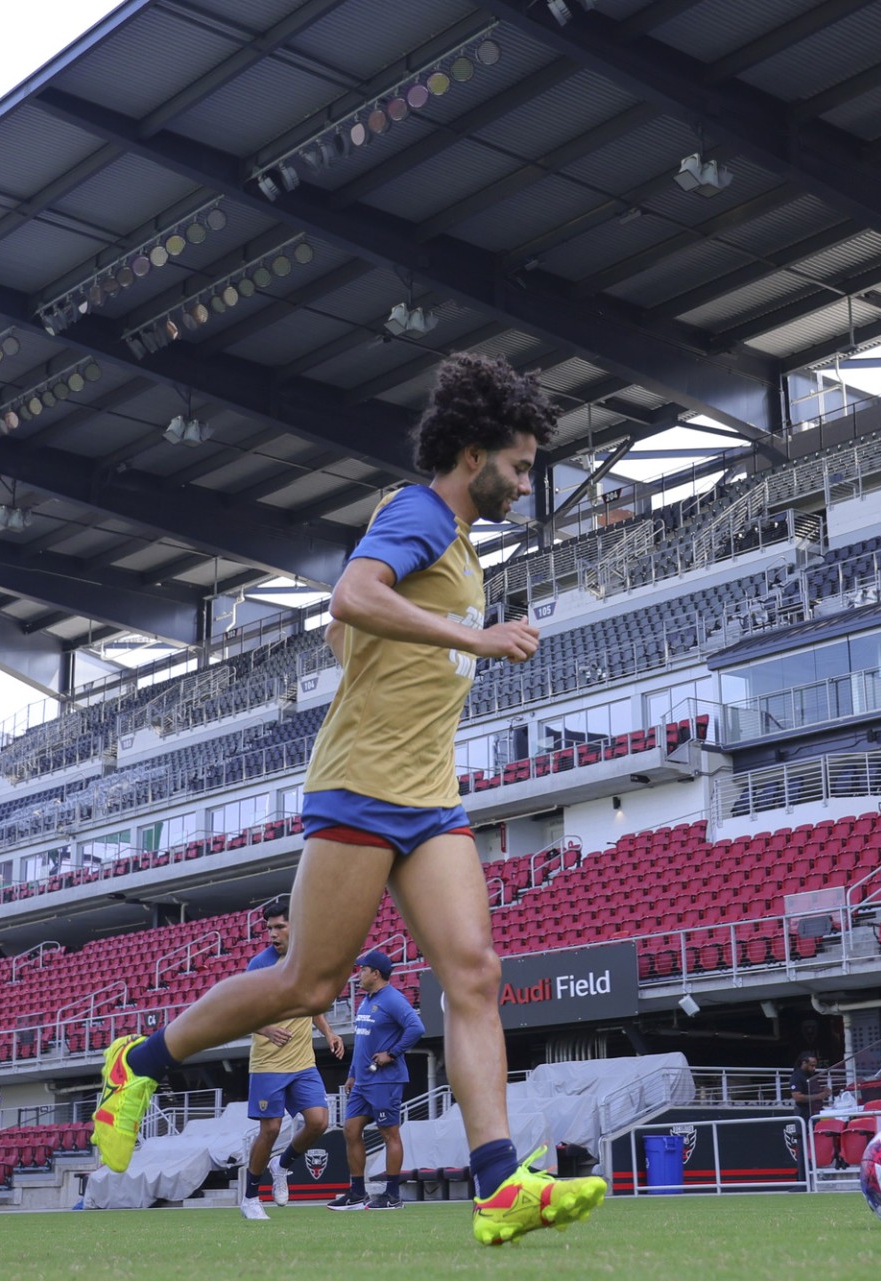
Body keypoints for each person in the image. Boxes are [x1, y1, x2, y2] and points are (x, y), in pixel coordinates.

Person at [89, 353, 606, 1246]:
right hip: (362, 787)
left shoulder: (456, 544)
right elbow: (352, 595)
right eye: (520, 466)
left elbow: (345, 629)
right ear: (474, 455)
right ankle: (138, 1062)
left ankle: (499, 1186)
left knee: (475, 974)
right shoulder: (419, 512)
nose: (527, 484)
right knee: (311, 981)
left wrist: (392, 650)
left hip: (431, 796)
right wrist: (474, 639)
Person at [238, 898, 342, 1221]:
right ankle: (250, 1197)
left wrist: (328, 1032)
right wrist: (266, 1029)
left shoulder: (306, 962)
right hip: (268, 1064)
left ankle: (281, 1166)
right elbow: (241, 1013)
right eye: (269, 928)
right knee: (270, 1130)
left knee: (319, 1121)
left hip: (303, 1062)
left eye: (279, 927)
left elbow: (311, 1005)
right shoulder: (259, 965)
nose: (273, 934)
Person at [329, 949, 424, 1211]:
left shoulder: (392, 999)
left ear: (376, 974)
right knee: (350, 1130)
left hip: (385, 1080)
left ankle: (392, 1195)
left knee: (389, 1133)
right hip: (362, 1081)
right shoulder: (365, 1001)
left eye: (363, 970)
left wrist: (391, 1053)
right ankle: (357, 1193)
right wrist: (352, 1074)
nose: (358, 974)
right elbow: (362, 1042)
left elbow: (417, 1027)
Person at [790, 1053, 828, 1119]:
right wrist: (818, 1096)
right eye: (812, 1065)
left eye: (815, 1066)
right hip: (804, 1112)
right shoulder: (796, 1076)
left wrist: (823, 1091)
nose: (814, 1068)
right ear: (804, 1063)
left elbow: (812, 1090)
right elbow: (797, 1097)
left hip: (815, 1111)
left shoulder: (810, 1075)